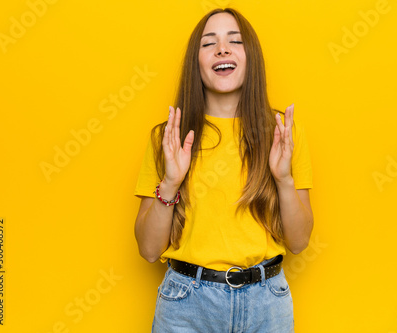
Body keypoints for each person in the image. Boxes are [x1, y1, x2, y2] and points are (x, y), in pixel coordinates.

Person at [134, 7, 313, 333]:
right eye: (208, 43)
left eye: (235, 41)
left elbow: (299, 242)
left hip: (267, 304)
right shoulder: (168, 139)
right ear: (196, 62)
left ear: (251, 57)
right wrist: (171, 182)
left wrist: (284, 179)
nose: (222, 49)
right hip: (186, 305)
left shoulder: (282, 133)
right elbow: (148, 250)